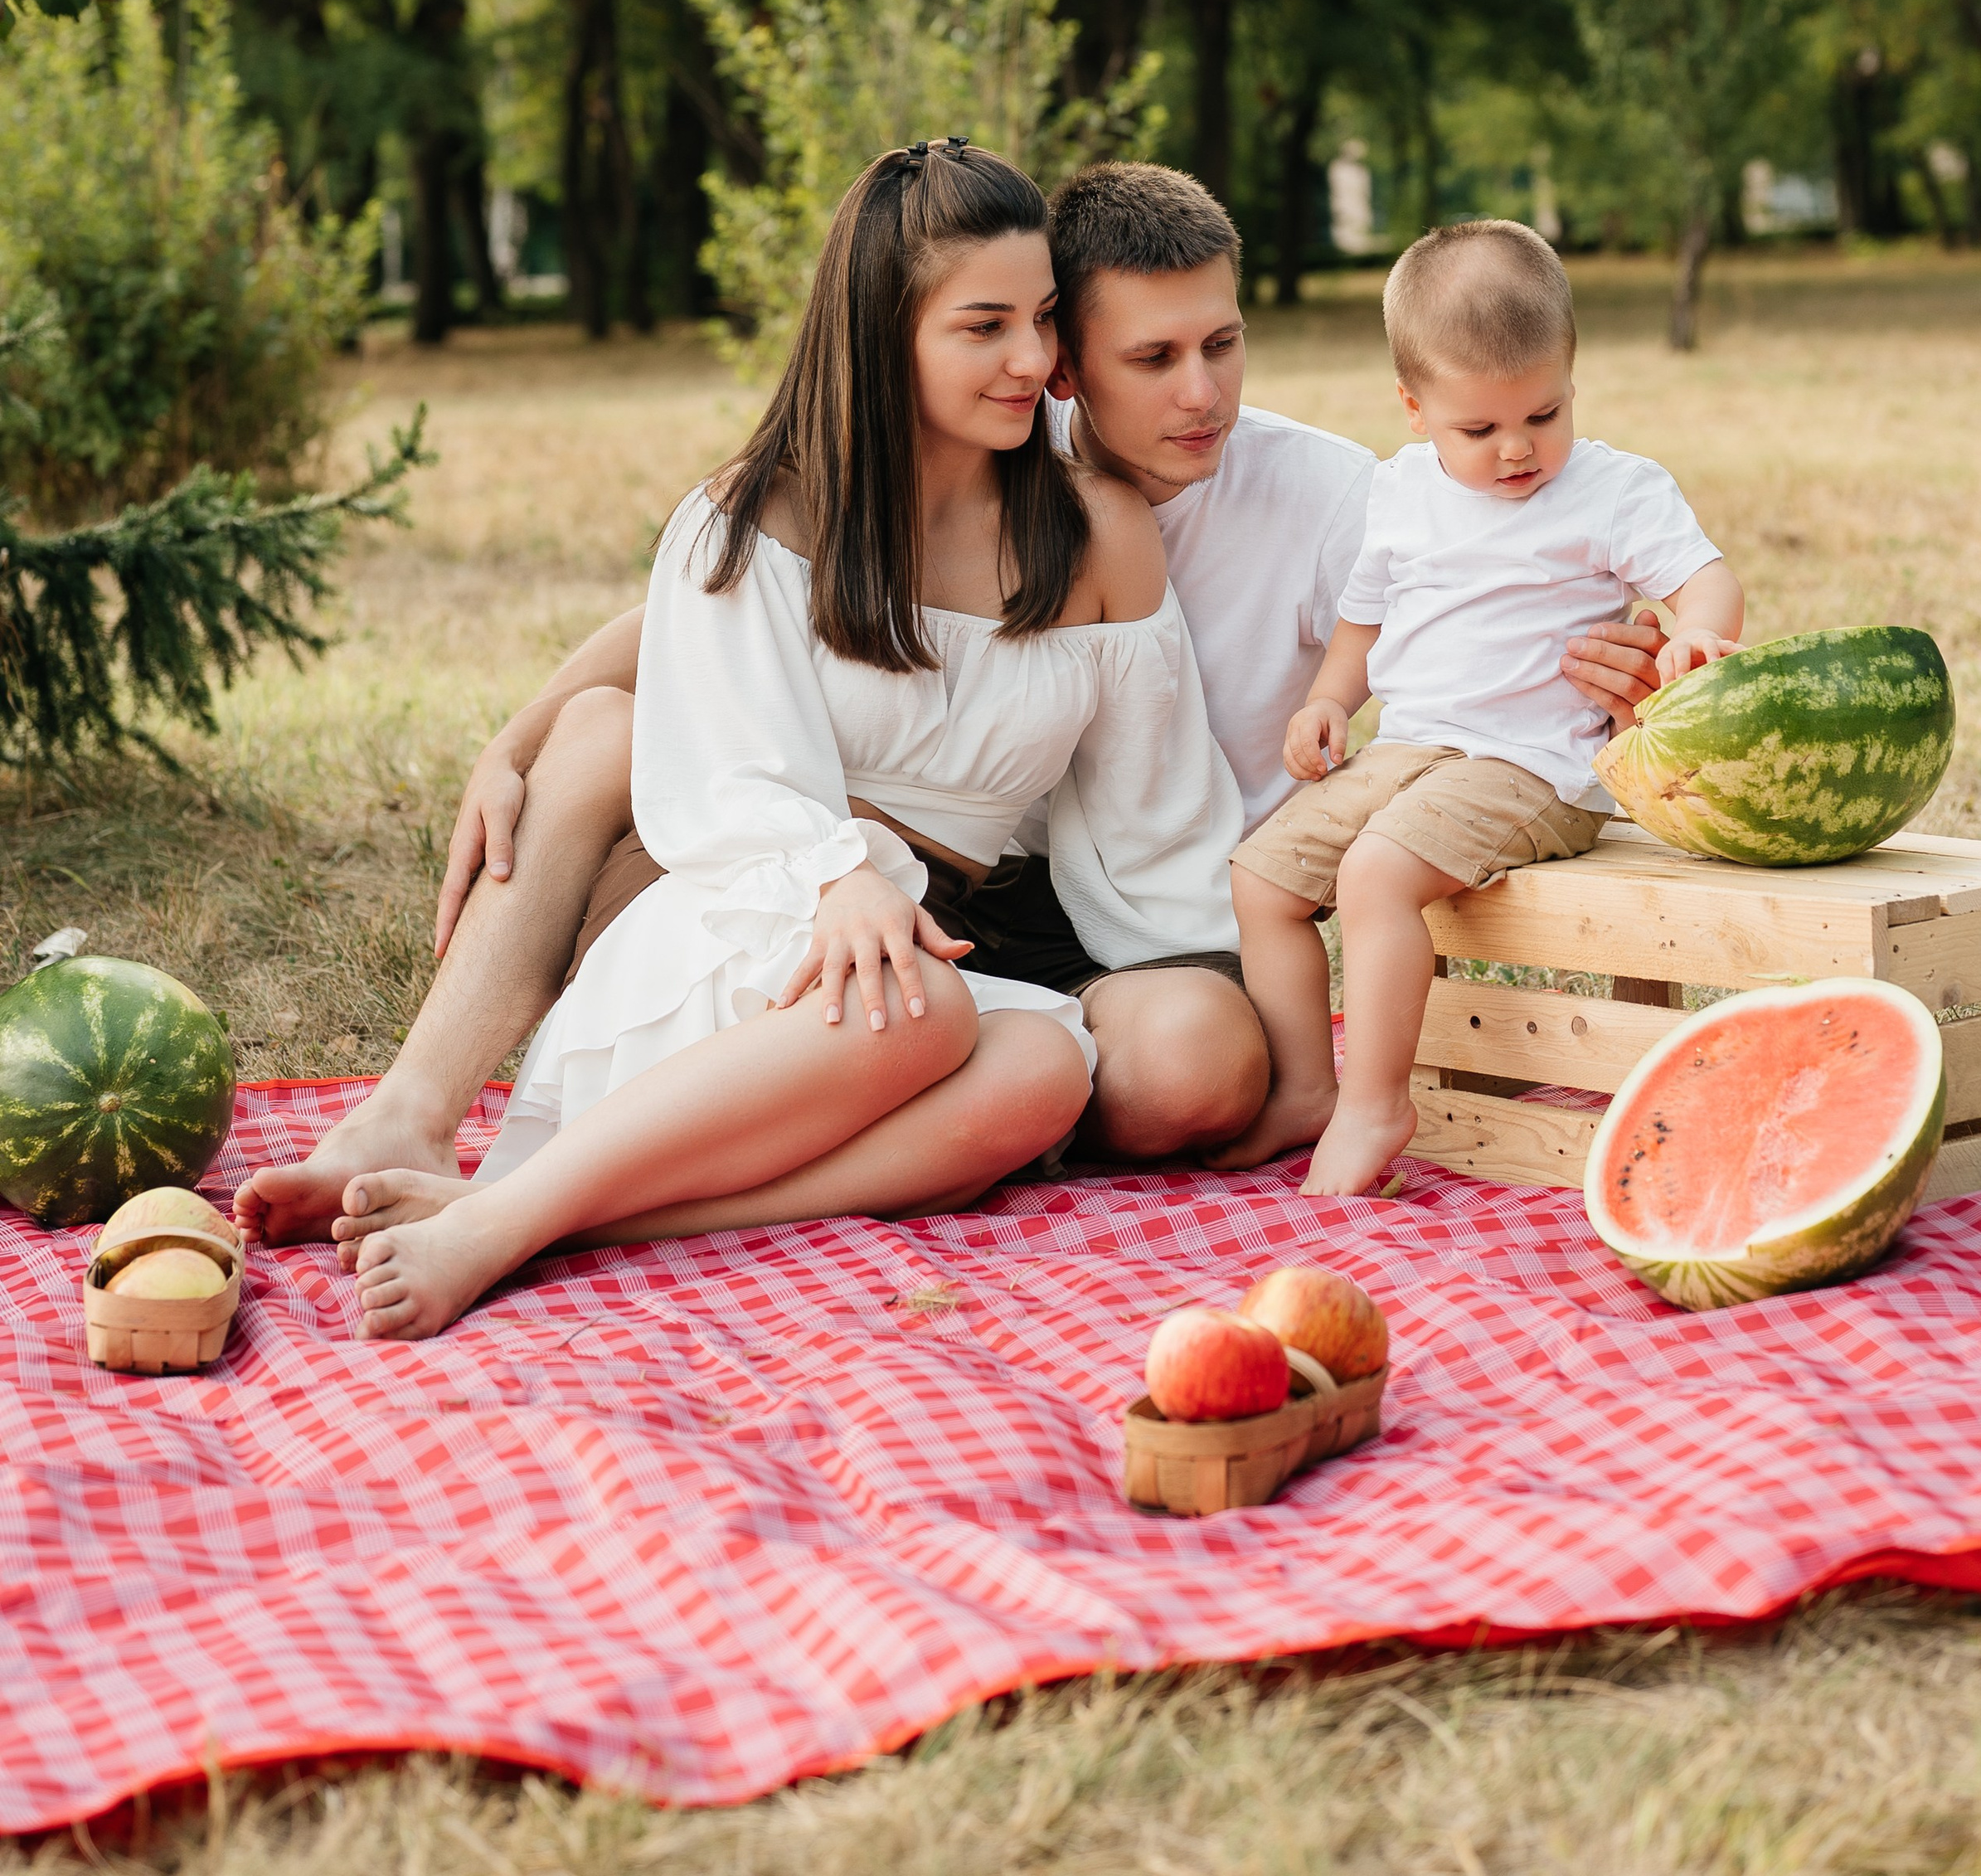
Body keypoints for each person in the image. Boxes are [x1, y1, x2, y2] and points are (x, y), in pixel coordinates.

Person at [238, 162, 1672, 1249]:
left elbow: (1498, 561)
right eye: (1140, 353)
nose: (1201, 391)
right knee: (609, 732)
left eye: (1221, 344)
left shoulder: (1321, 495)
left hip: (1111, 900)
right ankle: (416, 1111)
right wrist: (522, 726)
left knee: (1167, 1069)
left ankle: (712, 1159)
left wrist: (1621, 645)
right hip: (836, 870)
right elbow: (705, 607)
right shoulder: (983, 437)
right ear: (1065, 359)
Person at [239, 141, 1245, 1335]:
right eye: (983, 328)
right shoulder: (754, 514)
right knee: (913, 1000)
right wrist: (836, 877)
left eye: (1039, 321)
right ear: (885, 329)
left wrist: (1240, 993)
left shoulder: (1092, 531)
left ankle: (519, 1207)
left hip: (926, 945)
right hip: (751, 907)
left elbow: (1152, 815)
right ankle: (474, 1180)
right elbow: (731, 767)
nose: (1033, 361)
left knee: (1040, 1069)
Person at [1222, 218, 1746, 1196]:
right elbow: (1361, 625)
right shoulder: (1400, 489)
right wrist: (1329, 701)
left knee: (1377, 873)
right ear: (1414, 408)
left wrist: (1696, 638)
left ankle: (1377, 1101)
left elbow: (1707, 580)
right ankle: (1303, 1087)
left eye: (1543, 414)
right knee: (1262, 878)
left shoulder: (1612, 489)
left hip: (1535, 765)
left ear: (1571, 380)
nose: (1518, 449)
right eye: (1480, 429)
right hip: (1412, 748)